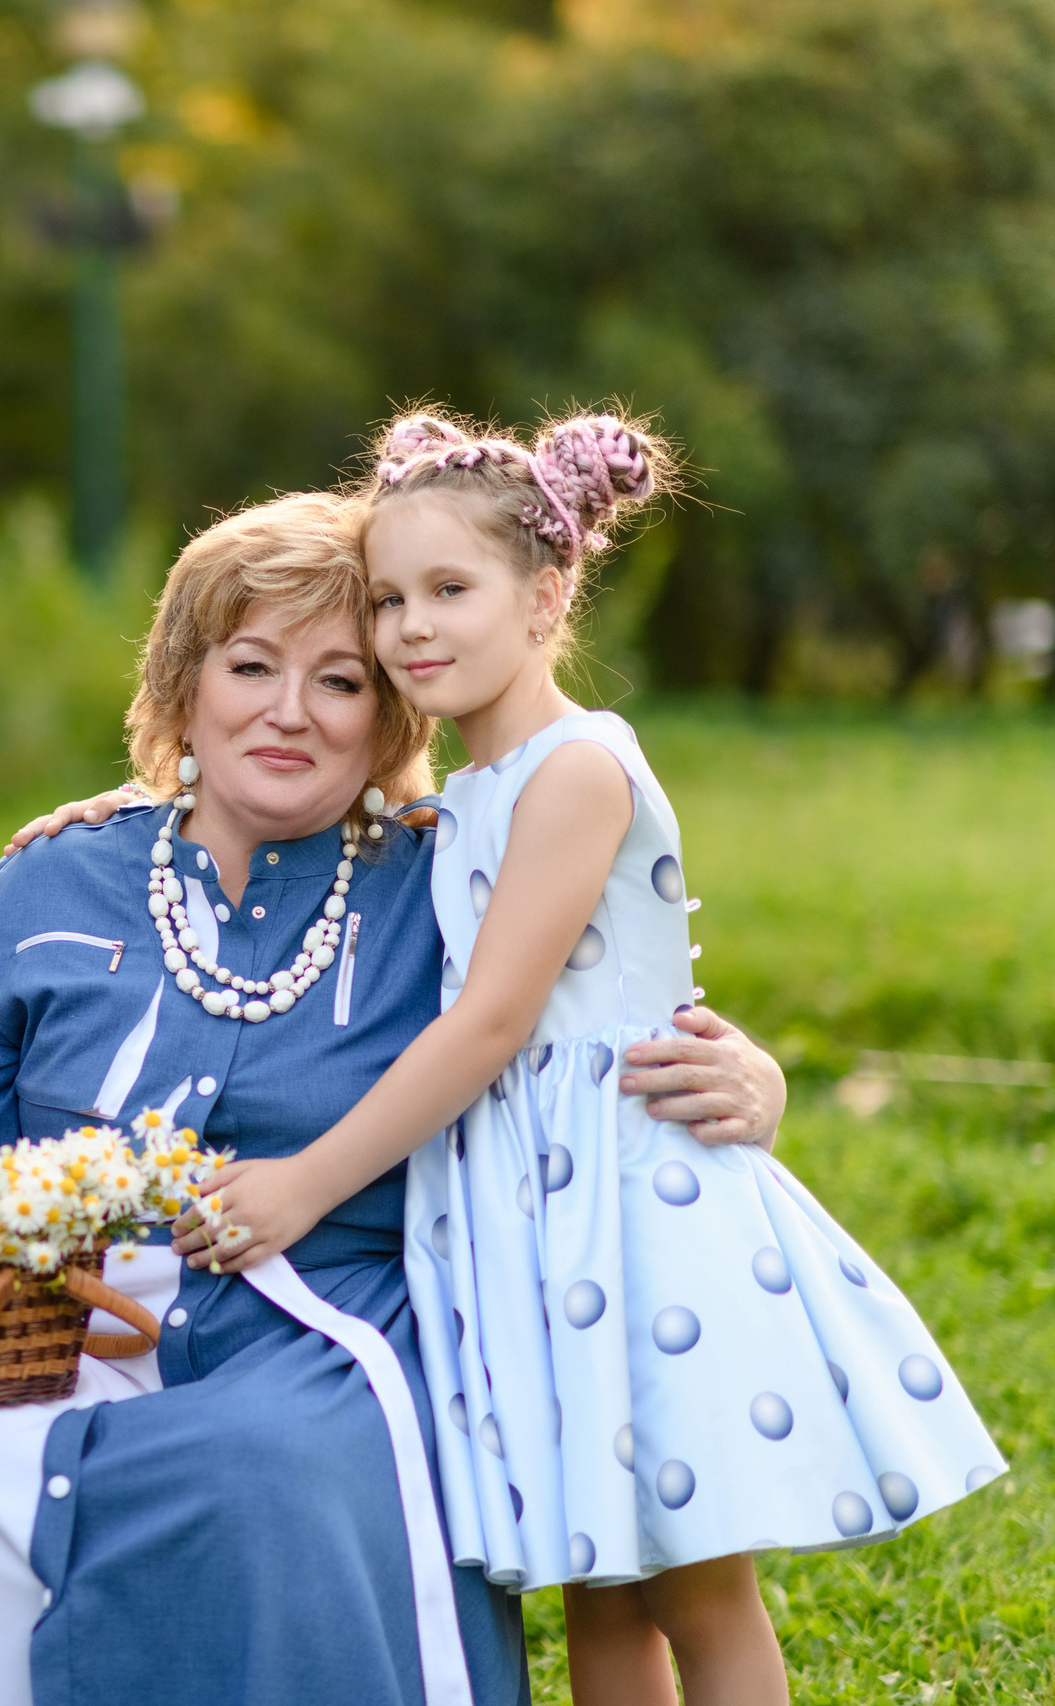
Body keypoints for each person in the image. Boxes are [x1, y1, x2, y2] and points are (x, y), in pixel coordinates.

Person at [0, 489, 793, 1706]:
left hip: (326, 1323)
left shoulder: (447, 872)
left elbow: (586, 1000)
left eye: (341, 682)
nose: (289, 713)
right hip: (55, 1320)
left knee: (267, 1468)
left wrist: (751, 1074)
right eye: (249, 666)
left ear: (390, 711)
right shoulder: (55, 876)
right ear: (182, 685)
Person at [192, 410, 1005, 1705]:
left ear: (548, 592)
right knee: (597, 1587)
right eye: (391, 597)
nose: (412, 626)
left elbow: (497, 1021)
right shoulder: (458, 788)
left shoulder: (576, 769)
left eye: (451, 590)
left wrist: (305, 1182)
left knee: (693, 1584)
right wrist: (139, 805)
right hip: (534, 1211)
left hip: (624, 1204)